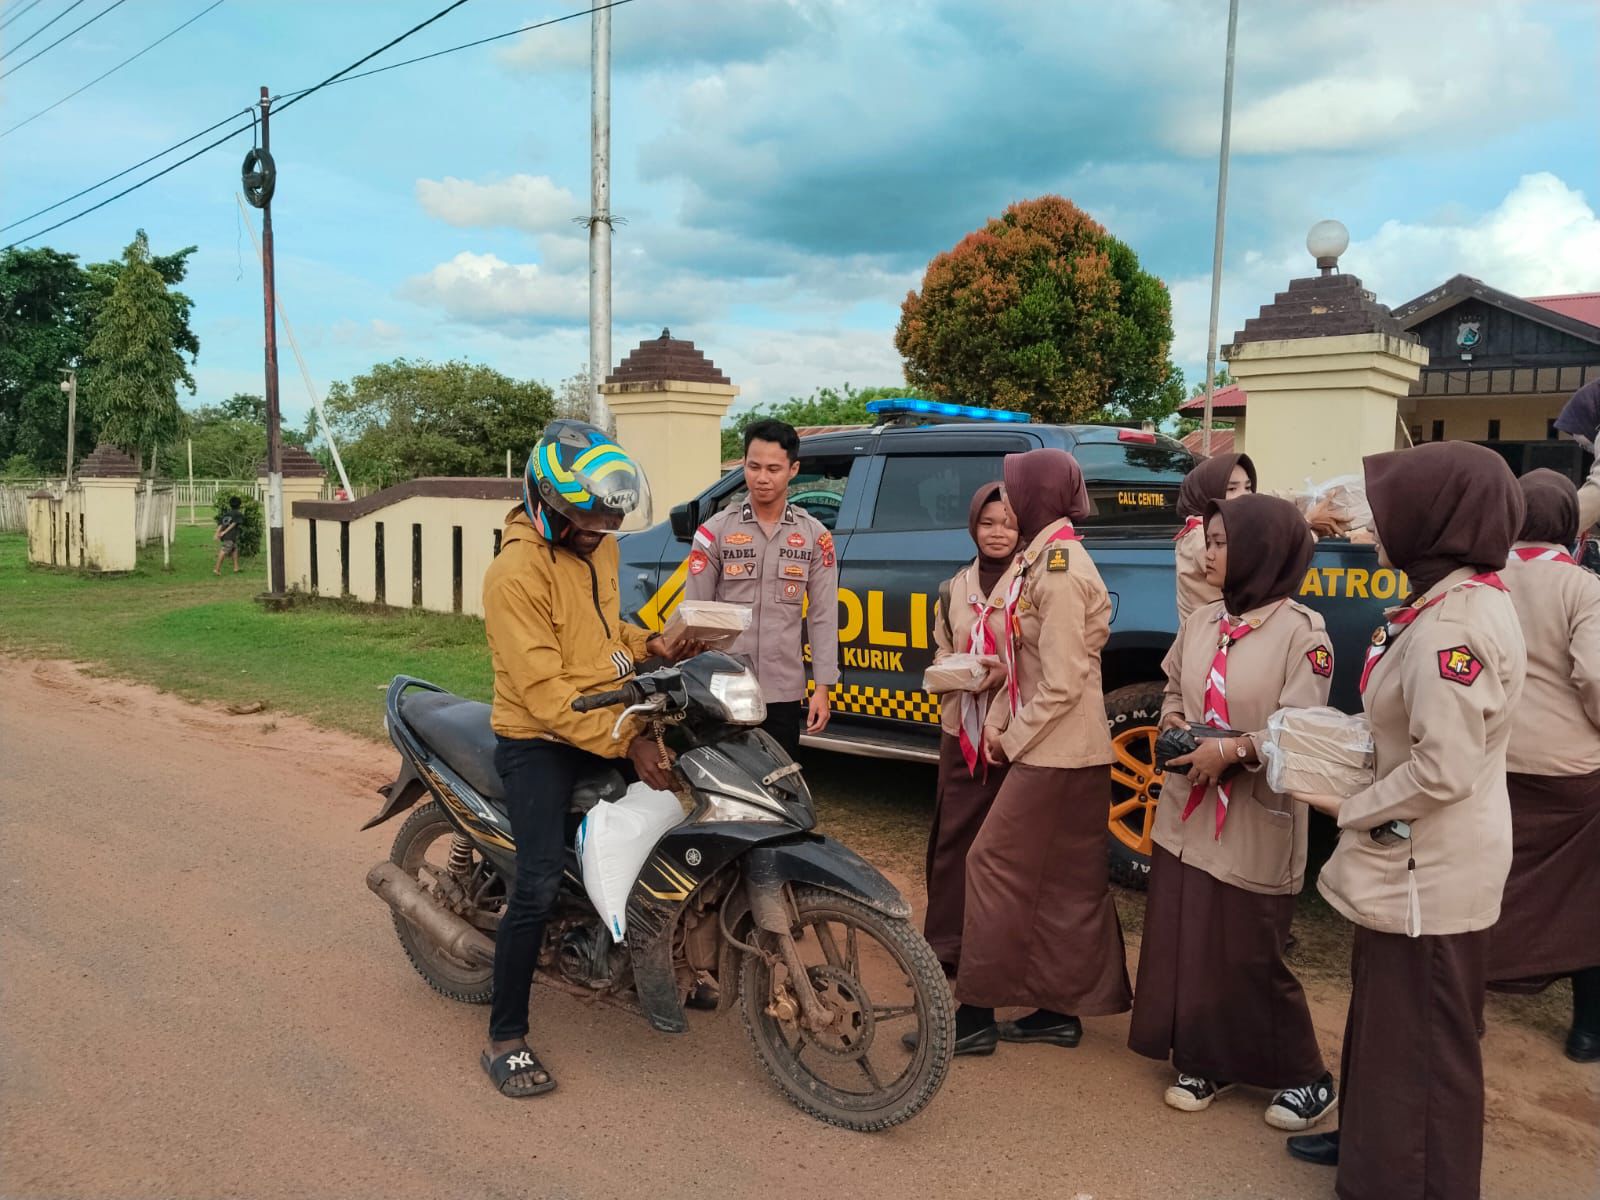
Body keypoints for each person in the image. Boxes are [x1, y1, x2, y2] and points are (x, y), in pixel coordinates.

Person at [1287, 441, 1526, 1200]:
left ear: (1436, 518)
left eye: (1388, 510)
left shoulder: (1454, 625)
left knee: (1423, 1035)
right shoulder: (1439, 602)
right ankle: (1370, 1148)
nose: (1370, 525)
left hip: (1431, 867)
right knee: (1390, 1021)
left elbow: (1443, 768)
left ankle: (1414, 1180)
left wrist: (1349, 807)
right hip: (1414, 859)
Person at [479, 420, 691, 1099]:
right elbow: (545, 692)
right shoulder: (514, 573)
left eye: (606, 520)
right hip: (539, 737)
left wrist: (651, 642)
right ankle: (505, 1036)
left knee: (681, 815)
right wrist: (625, 739)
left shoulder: (594, 546)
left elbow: (603, 629)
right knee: (537, 885)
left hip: (602, 715)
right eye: (587, 520)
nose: (600, 531)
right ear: (547, 506)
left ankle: (656, 949)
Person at [1129, 492, 1337, 1130]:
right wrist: (1172, 724)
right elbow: (1172, 686)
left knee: (1249, 949)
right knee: (1191, 936)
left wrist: (1237, 749)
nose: (1208, 552)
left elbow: (1304, 732)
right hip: (1186, 810)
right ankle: (1205, 1057)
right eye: (1209, 540)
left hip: (1252, 813)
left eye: (1221, 542)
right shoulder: (1203, 622)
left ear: (1263, 551)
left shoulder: (1304, 634)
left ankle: (1307, 1075)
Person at [952, 448, 1132, 1055]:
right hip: (1067, 748)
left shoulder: (1056, 569)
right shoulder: (1047, 558)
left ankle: (975, 1012)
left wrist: (1010, 736)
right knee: (1064, 882)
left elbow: (1059, 680)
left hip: (1058, 750)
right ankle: (1060, 1010)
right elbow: (1019, 666)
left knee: (990, 864)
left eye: (1016, 487)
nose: (1009, 496)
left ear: (1040, 494)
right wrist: (1005, 719)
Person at [1487, 468, 1600, 1063]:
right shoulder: (1583, 588)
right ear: (1569, 522)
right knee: (1587, 899)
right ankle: (1588, 1030)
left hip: (1490, 762)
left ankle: (1464, 1004)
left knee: (1483, 885)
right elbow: (1597, 678)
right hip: (1568, 775)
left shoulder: (1481, 581)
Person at [683, 418, 840, 758]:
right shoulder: (714, 533)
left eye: (773, 468)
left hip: (782, 690)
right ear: (743, 465)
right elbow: (695, 614)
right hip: (724, 686)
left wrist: (823, 688)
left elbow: (824, 616)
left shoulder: (815, 537)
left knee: (779, 779)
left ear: (793, 469)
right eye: (754, 467)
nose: (762, 478)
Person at [920, 482, 1017, 978]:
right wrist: (950, 670)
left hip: (1010, 740)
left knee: (1000, 850)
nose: (997, 533)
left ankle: (993, 950)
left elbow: (1040, 661)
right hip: (961, 730)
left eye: (1008, 523)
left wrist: (1001, 675)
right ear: (972, 526)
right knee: (953, 841)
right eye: (987, 522)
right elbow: (942, 646)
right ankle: (947, 946)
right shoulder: (955, 587)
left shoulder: (1030, 582)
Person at [1175, 452, 1256, 621]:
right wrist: (1309, 529)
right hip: (1210, 642)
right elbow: (1255, 572)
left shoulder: (1221, 526)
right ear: (1208, 493)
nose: (1245, 495)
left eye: (1248, 487)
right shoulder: (1202, 535)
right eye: (1232, 489)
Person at [213, 496, 244, 575]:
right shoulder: (238, 514)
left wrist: (217, 533)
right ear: (239, 505)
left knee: (234, 549)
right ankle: (217, 569)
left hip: (228, 536)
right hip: (230, 536)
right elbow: (234, 524)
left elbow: (221, 524)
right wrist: (224, 532)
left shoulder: (227, 514)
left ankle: (236, 568)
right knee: (224, 550)